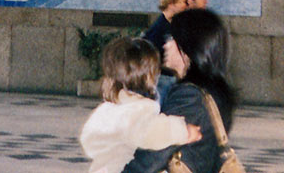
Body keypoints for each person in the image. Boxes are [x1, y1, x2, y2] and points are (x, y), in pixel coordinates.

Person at [123, 9, 236, 173]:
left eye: (172, 38)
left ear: (188, 48)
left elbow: (155, 154)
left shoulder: (189, 96)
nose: (166, 44)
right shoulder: (214, 90)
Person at [79, 37, 201, 173]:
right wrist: (184, 131)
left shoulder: (108, 109)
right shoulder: (137, 109)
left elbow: (88, 138)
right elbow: (151, 131)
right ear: (149, 77)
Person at [143, 0, 187, 103]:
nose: (185, 5)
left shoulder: (173, 24)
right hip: (161, 79)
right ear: (171, 4)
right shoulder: (158, 29)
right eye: (182, 2)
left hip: (170, 77)